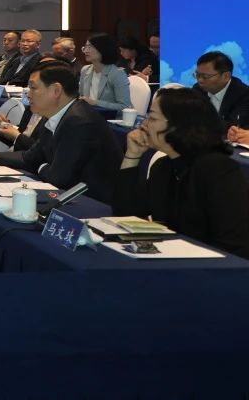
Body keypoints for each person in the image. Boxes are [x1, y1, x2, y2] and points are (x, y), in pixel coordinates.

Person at [0, 62, 122, 201]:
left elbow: (57, 177)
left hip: (94, 204)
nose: (28, 94)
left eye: (33, 88)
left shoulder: (79, 121)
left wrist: (40, 165)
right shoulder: (54, 115)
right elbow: (30, 157)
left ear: (56, 90)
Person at [114, 87, 249, 259]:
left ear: (178, 126)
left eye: (152, 118)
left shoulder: (217, 169)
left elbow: (235, 243)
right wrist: (132, 155)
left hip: (214, 266)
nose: (143, 125)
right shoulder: (163, 167)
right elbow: (128, 216)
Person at [193, 51, 249, 139]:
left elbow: (233, 129)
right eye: (197, 75)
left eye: (205, 76)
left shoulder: (244, 94)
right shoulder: (198, 89)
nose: (200, 80)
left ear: (226, 76)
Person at [79, 33, 131, 112]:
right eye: (85, 47)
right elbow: (81, 97)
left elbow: (125, 106)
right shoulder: (85, 70)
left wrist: (96, 103)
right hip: (88, 115)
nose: (86, 51)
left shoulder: (117, 74)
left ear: (103, 49)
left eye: (90, 47)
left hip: (109, 118)